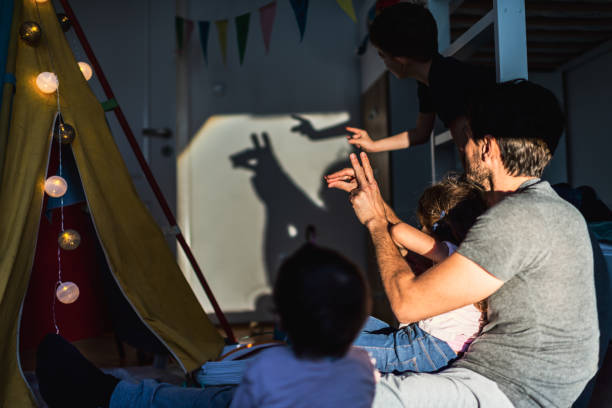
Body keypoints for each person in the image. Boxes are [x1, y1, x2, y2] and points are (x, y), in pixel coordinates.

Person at [328, 79, 599, 407]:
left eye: (466, 136)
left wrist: (374, 222)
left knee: (322, 391)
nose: (461, 147)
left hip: (504, 391)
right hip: (496, 378)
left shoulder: (518, 217)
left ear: (487, 147)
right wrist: (374, 201)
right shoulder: (550, 211)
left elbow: (407, 303)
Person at [35, 244, 376, 408]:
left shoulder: (270, 367)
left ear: (281, 318)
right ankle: (117, 394)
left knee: (213, 400)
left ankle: (113, 397)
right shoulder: (362, 365)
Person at [353, 175, 488, 373]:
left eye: (422, 224)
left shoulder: (448, 251)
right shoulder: (474, 259)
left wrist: (377, 220)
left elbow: (399, 231)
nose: (420, 229)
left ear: (438, 225)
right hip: (440, 348)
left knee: (323, 342)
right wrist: (374, 200)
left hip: (430, 348)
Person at [346, 3, 495, 154]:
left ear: (400, 59)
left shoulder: (443, 80)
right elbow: (421, 132)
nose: (385, 64)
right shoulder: (428, 81)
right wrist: (373, 145)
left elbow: (471, 152)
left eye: (382, 55)